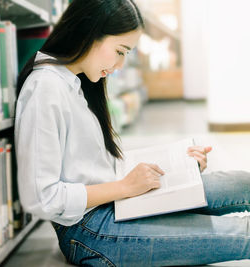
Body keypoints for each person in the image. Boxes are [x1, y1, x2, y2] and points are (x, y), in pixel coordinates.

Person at [14, 0, 250, 265]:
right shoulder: (45, 88)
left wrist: (177, 165)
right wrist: (124, 188)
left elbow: (93, 166)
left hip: (117, 201)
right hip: (91, 230)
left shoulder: (72, 82)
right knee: (244, 235)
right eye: (120, 51)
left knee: (244, 183)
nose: (120, 65)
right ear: (91, 32)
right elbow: (41, 198)